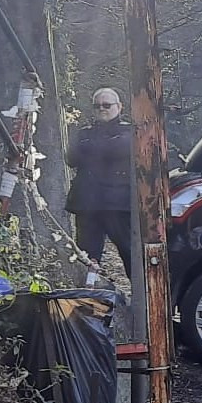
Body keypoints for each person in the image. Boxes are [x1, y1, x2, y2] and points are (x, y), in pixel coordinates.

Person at [66, 87, 134, 278]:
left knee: (130, 254)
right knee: (87, 257)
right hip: (88, 204)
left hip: (118, 206)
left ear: (119, 106)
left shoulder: (131, 132)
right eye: (97, 106)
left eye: (107, 105)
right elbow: (71, 158)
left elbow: (121, 149)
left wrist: (92, 148)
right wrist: (102, 148)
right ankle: (88, 297)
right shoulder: (84, 133)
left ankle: (140, 300)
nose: (102, 109)